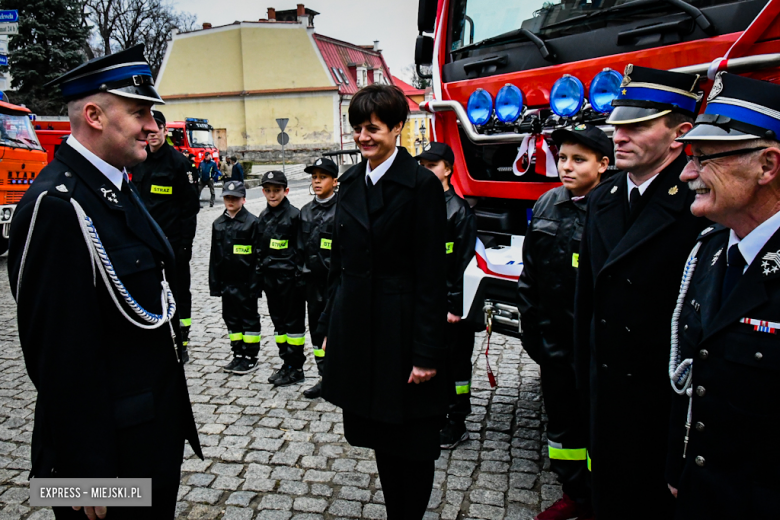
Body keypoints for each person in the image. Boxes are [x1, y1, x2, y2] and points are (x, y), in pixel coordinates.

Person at [6, 44, 202, 519]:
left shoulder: (114, 186)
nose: (153, 127)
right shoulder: (58, 204)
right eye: (140, 112)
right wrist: (85, 471)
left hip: (148, 437)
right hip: (103, 464)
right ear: (94, 114)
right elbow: (56, 353)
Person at [573, 65, 710, 519]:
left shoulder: (700, 205)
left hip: (661, 402)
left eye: (638, 126)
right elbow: (587, 302)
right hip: (608, 392)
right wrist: (583, 380)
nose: (619, 135)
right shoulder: (604, 196)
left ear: (680, 132)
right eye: (617, 125)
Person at [318, 84, 448, 519]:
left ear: (397, 128)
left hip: (401, 325)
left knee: (412, 438)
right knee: (380, 432)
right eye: (357, 128)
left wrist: (426, 352)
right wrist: (330, 326)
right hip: (358, 324)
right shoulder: (351, 180)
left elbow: (432, 275)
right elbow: (338, 264)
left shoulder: (421, 186)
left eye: (372, 128)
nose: (362, 137)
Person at [665, 72, 780, 519]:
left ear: (767, 165)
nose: (687, 173)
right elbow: (692, 377)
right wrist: (679, 468)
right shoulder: (710, 249)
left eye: (705, 159)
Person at [518, 124, 611, 520]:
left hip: (595, 347)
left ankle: (603, 500)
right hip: (553, 342)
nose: (566, 167)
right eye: (562, 159)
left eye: (579, 159)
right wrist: (532, 330)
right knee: (563, 430)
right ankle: (574, 494)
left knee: (600, 431)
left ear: (604, 164)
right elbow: (530, 276)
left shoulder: (613, 208)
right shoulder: (546, 204)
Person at [416, 142, 477, 449]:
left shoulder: (459, 212)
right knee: (433, 361)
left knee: (456, 367)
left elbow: (465, 263)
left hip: (452, 309)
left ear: (448, 170)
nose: (425, 172)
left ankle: (457, 422)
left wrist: (455, 305)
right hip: (427, 304)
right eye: (422, 166)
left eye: (431, 166)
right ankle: (437, 414)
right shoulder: (420, 207)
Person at [131, 109, 200, 362]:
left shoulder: (179, 163)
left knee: (179, 291)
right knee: (147, 290)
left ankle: (181, 341)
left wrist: (185, 245)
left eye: (156, 129)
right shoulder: (138, 160)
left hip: (173, 242)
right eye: (147, 131)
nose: (151, 135)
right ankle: (154, 338)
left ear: (164, 131)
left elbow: (190, 208)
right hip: (145, 243)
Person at [257, 170, 306, 385]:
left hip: (290, 281)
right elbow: (260, 248)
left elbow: (301, 249)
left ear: (286, 191)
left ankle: (296, 367)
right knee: (279, 325)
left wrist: (297, 278)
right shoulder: (263, 217)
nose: (272, 195)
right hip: (271, 280)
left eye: (277, 190)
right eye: (268, 191)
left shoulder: (295, 216)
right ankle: (285, 363)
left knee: (293, 326)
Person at [209, 181, 262, 375]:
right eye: (228, 197)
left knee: (248, 320)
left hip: (245, 283)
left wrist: (256, 284)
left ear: (243, 199)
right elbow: (214, 256)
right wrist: (215, 284)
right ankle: (238, 354)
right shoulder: (218, 224)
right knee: (231, 320)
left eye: (235, 198)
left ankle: (250, 356)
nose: (231, 201)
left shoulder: (252, 223)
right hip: (226, 283)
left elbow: (258, 256)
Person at [298, 157, 339, 399]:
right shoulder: (305, 212)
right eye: (314, 177)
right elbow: (299, 248)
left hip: (334, 284)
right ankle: (324, 377)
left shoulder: (342, 209)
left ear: (334, 181)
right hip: (312, 284)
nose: (316, 181)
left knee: (337, 330)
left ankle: (341, 377)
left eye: (322, 177)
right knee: (316, 331)